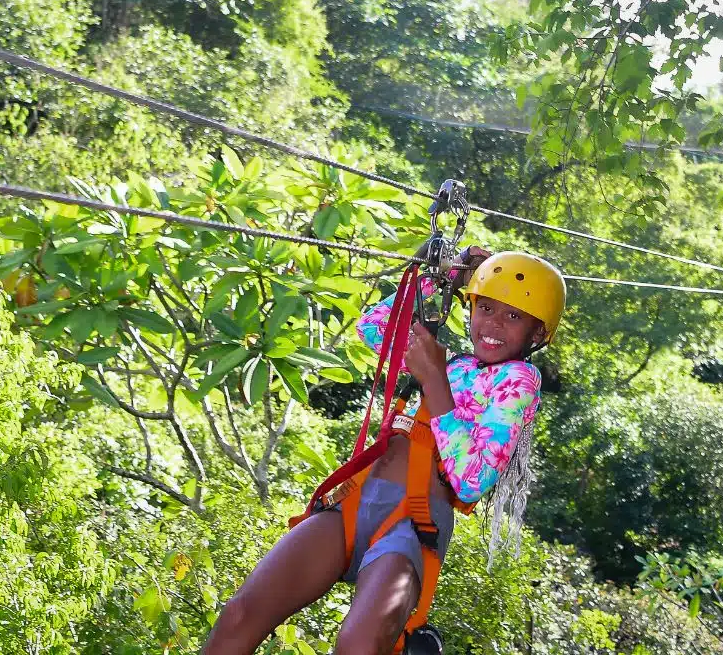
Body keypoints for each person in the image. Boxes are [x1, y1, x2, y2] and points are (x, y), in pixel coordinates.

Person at [203, 248, 566, 655]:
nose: (494, 324)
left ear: (538, 334)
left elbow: (472, 480)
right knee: (239, 615)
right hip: (354, 503)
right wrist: (441, 278)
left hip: (411, 521)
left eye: (513, 316)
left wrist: (432, 380)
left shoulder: (518, 381)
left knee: (358, 645)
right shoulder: (453, 365)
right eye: (486, 307)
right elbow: (374, 328)